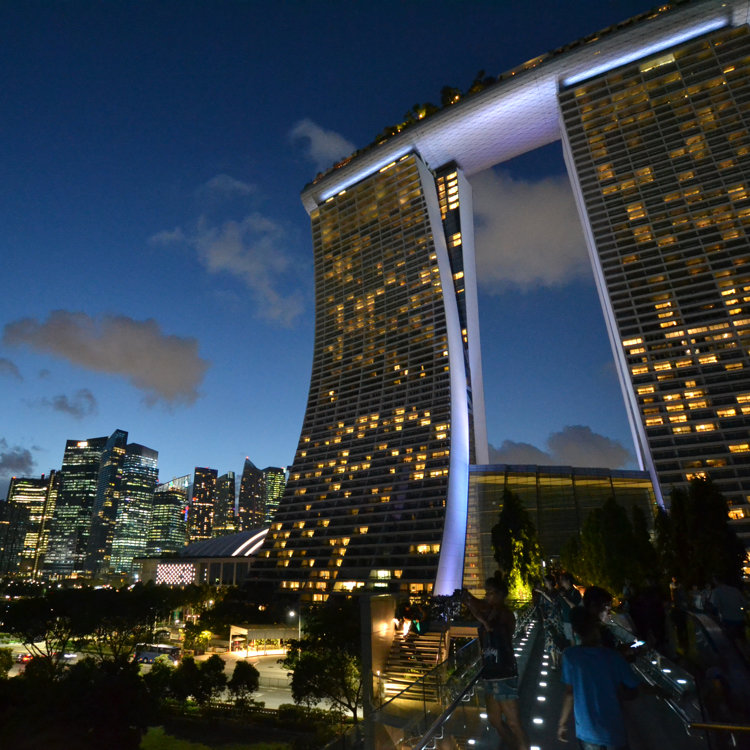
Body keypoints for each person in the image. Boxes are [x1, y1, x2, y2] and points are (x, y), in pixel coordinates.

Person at [557, 606, 641, 749]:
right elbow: (634, 685)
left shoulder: (570, 656)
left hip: (587, 731)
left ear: (575, 631)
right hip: (613, 730)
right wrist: (658, 690)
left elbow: (570, 694)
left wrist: (562, 724)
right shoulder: (613, 657)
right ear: (597, 630)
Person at [462, 575, 530, 750]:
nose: (487, 596)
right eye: (486, 593)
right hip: (490, 672)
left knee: (514, 723)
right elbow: (480, 607)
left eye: (490, 593)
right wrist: (468, 600)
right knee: (494, 720)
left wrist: (472, 604)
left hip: (504, 672)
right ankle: (515, 747)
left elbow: (489, 623)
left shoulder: (505, 614)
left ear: (500, 595)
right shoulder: (490, 611)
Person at [535, 573, 565, 668]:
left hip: (556, 618)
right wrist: (543, 616)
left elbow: (554, 602)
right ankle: (554, 662)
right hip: (547, 618)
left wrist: (543, 593)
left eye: (546, 581)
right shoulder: (544, 592)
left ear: (551, 582)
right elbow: (540, 605)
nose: (545, 583)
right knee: (550, 638)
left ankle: (558, 660)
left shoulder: (555, 592)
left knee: (557, 637)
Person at [559, 572, 583, 645]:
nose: (561, 582)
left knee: (578, 641)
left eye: (563, 580)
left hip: (574, 621)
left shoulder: (575, 592)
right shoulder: (563, 592)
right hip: (566, 620)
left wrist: (564, 597)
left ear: (568, 581)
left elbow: (574, 606)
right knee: (571, 640)